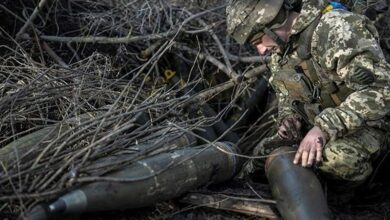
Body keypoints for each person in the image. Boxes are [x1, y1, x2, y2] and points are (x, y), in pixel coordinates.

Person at [226, 0, 390, 219]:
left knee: (337, 160)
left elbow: (381, 91)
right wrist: (289, 118)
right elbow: (287, 95)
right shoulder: (282, 51)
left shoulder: (337, 29)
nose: (261, 49)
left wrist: (323, 128)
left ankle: (352, 201)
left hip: (372, 124)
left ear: (273, 24)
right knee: (257, 160)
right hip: (320, 128)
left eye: (258, 40)